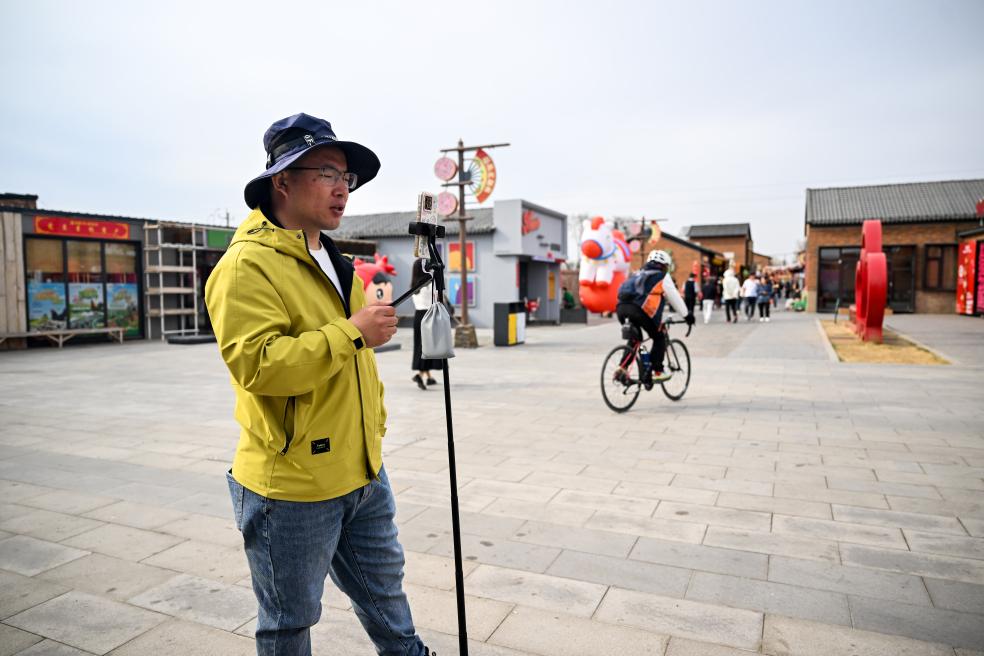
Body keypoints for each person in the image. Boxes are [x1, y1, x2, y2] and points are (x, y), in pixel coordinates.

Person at [204, 113, 433, 656]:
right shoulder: (245, 266)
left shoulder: (335, 260)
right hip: (292, 486)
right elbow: (260, 367)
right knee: (288, 622)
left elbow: (350, 354)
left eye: (347, 178)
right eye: (328, 172)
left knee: (388, 601)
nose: (342, 189)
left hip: (362, 470)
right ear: (282, 180)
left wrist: (364, 351)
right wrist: (352, 333)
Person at [616, 250, 694, 386]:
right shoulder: (662, 276)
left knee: (635, 340)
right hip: (639, 310)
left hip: (621, 308)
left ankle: (621, 369)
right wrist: (687, 315)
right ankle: (656, 371)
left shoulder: (637, 273)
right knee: (659, 338)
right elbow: (674, 297)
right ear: (664, 265)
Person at [411, 258, 443, 390]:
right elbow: (438, 299)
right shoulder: (430, 284)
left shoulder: (414, 285)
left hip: (418, 316)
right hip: (429, 315)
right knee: (428, 347)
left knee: (420, 346)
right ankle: (419, 374)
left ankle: (429, 377)